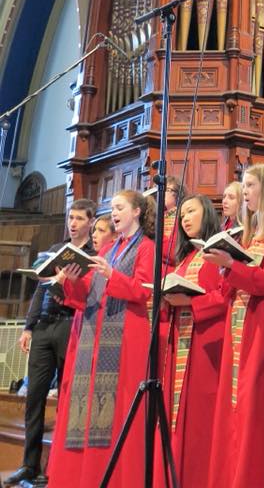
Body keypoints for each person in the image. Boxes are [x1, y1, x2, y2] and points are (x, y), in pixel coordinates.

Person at [46, 190, 155, 488]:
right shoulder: (108, 249)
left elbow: (144, 291)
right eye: (113, 208)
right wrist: (69, 279)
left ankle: (114, 478)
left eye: (120, 208)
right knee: (88, 409)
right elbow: (85, 296)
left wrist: (112, 277)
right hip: (95, 335)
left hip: (126, 336)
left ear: (136, 212)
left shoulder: (147, 247)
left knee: (113, 410)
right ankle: (84, 479)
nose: (115, 212)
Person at [206, 164, 264, 488]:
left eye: (250, 186)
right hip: (240, 323)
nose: (244, 193)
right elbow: (234, 285)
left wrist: (231, 265)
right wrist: (224, 270)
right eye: (243, 186)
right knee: (236, 410)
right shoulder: (248, 230)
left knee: (257, 409)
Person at [6, 200, 96, 488]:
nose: (73, 223)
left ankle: (55, 465)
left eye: (80, 218)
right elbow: (38, 289)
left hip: (71, 325)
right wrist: (28, 327)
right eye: (71, 217)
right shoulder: (57, 250)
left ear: (91, 222)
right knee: (35, 397)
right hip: (44, 327)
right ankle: (29, 465)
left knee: (66, 399)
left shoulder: (94, 255)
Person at [158, 194, 225, 487]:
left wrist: (191, 302)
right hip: (181, 340)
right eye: (182, 214)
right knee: (177, 418)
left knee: (200, 421)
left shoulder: (218, 252)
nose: (184, 219)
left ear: (207, 213)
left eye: (191, 212)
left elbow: (226, 296)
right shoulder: (185, 257)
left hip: (206, 345)